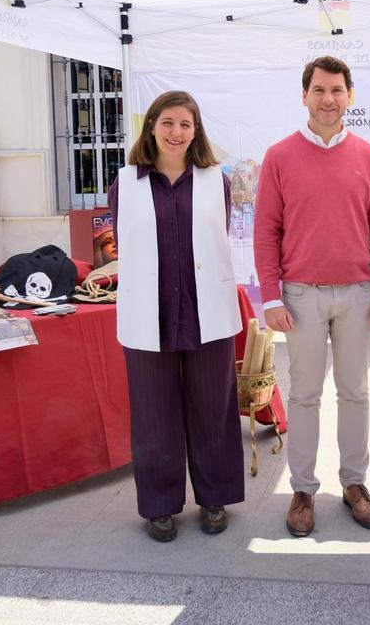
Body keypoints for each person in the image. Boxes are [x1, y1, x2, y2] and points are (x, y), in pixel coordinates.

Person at [254, 55, 370, 538]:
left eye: (337, 90)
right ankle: (302, 490)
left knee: (356, 392)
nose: (328, 99)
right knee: (306, 394)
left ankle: (355, 484)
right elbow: (266, 231)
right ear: (304, 96)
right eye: (319, 90)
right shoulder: (279, 155)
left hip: (358, 293)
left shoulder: (367, 155)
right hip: (300, 296)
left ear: (349, 96)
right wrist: (271, 296)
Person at [107, 90, 244, 543]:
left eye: (185, 125)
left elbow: (216, 239)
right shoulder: (125, 182)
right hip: (151, 311)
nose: (176, 132)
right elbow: (126, 244)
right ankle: (160, 507)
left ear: (196, 131)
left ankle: (215, 497)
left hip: (207, 310)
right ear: (151, 126)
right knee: (154, 413)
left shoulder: (213, 180)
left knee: (213, 407)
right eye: (167, 123)